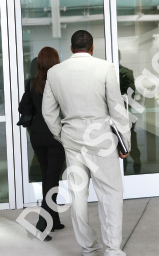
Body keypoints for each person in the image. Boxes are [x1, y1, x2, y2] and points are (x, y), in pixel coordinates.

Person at [42, 30, 131, 256]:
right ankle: (112, 248)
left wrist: (61, 136)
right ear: (92, 48)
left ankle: (88, 248)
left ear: (71, 49)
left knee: (78, 196)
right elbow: (117, 109)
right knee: (110, 194)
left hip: (72, 140)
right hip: (102, 140)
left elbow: (48, 112)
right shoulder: (105, 68)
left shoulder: (54, 72)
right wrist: (125, 143)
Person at [19, 47, 65, 242]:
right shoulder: (60, 83)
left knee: (48, 176)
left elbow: (22, 107)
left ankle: (53, 219)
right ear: (56, 62)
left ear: (39, 62)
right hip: (55, 137)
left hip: (37, 136)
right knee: (52, 180)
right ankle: (41, 223)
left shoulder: (31, 83)